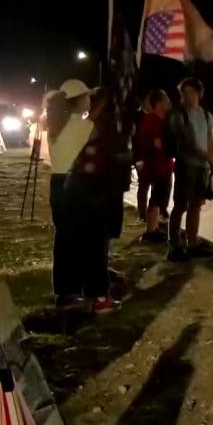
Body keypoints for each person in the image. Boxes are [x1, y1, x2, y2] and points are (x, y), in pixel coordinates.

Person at [69, 87, 127, 313]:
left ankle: (91, 286)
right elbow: (114, 162)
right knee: (96, 245)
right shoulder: (104, 126)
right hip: (99, 193)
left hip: (88, 191)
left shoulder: (86, 125)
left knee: (92, 244)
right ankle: (100, 297)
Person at [45, 79, 101, 311]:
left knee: (65, 240)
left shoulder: (56, 124)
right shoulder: (84, 127)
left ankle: (64, 291)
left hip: (58, 184)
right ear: (79, 100)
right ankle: (76, 290)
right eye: (87, 95)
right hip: (77, 185)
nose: (90, 99)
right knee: (81, 240)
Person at [166, 77, 213, 262]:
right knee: (180, 205)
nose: (186, 96)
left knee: (196, 206)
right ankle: (174, 246)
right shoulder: (178, 115)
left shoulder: (205, 115)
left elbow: (210, 140)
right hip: (186, 165)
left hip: (202, 167)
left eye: (190, 92)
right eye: (183, 93)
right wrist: (206, 156)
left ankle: (192, 244)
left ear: (199, 93)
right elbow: (187, 141)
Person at [134, 90, 172, 242]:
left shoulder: (160, 120)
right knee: (156, 198)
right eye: (166, 99)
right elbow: (158, 144)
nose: (169, 102)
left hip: (162, 165)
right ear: (159, 103)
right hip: (157, 166)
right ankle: (150, 230)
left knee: (158, 197)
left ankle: (154, 227)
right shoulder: (152, 120)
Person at [133, 92, 153, 224]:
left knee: (155, 186)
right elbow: (134, 140)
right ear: (142, 102)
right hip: (141, 157)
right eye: (148, 100)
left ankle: (154, 214)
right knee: (144, 186)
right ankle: (142, 213)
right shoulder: (136, 116)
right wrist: (137, 159)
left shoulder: (155, 115)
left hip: (153, 157)